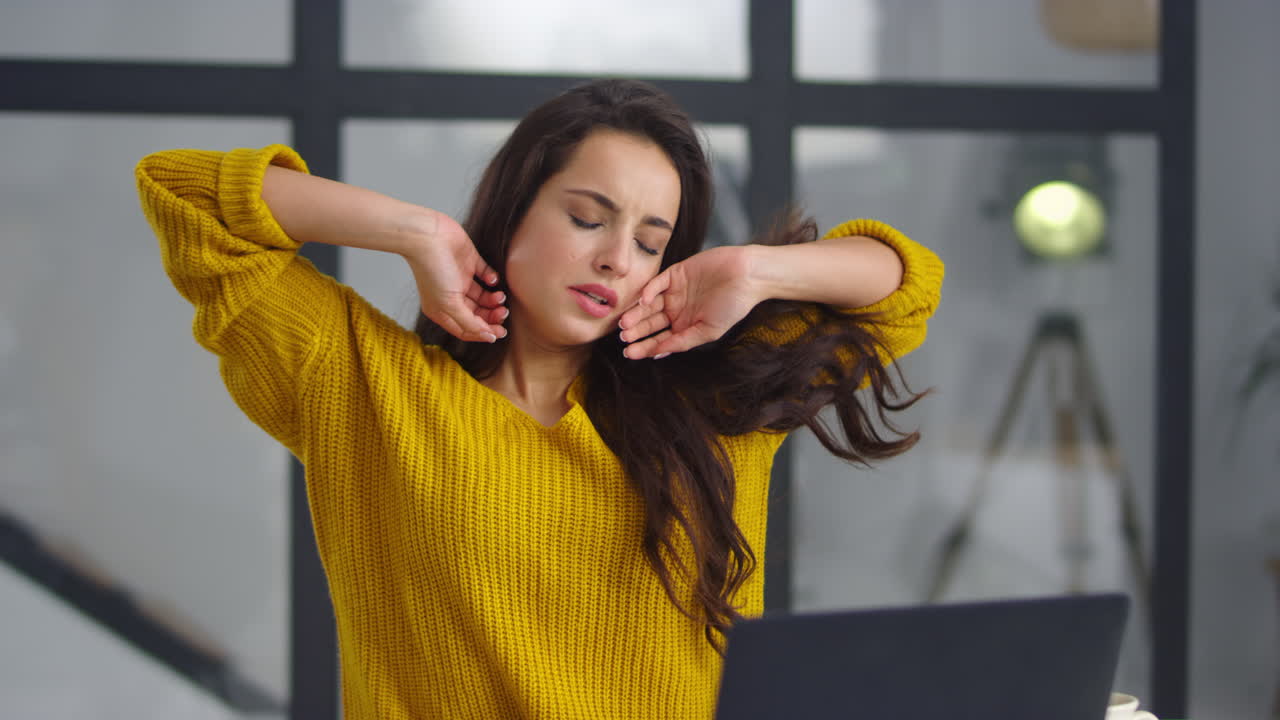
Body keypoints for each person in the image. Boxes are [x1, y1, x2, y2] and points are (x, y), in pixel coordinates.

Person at [136, 79, 943, 719]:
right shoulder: (363, 388)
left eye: (650, 242)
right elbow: (184, 193)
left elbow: (907, 289)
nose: (616, 259)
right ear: (515, 209)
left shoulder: (710, 398)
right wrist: (417, 231)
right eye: (589, 218)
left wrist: (755, 270)